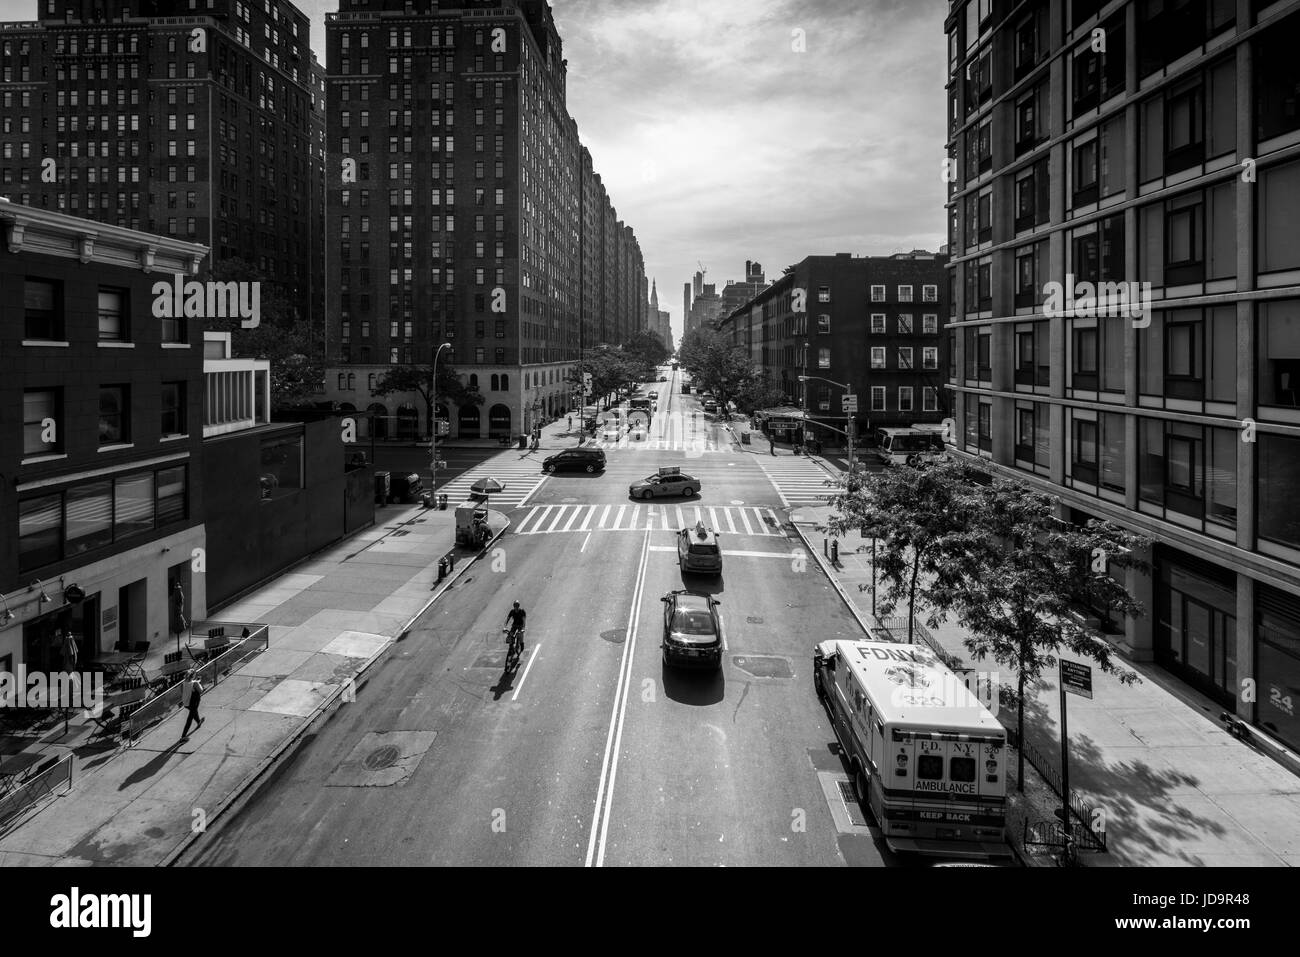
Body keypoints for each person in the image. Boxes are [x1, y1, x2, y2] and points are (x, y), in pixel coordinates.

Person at [180, 670, 205, 738]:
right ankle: (183, 736)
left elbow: (183, 692)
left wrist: (197, 682)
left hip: (186, 703)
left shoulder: (182, 683)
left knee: (194, 712)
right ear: (193, 675)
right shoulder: (195, 683)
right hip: (194, 702)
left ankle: (199, 722)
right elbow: (201, 691)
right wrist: (199, 683)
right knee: (190, 719)